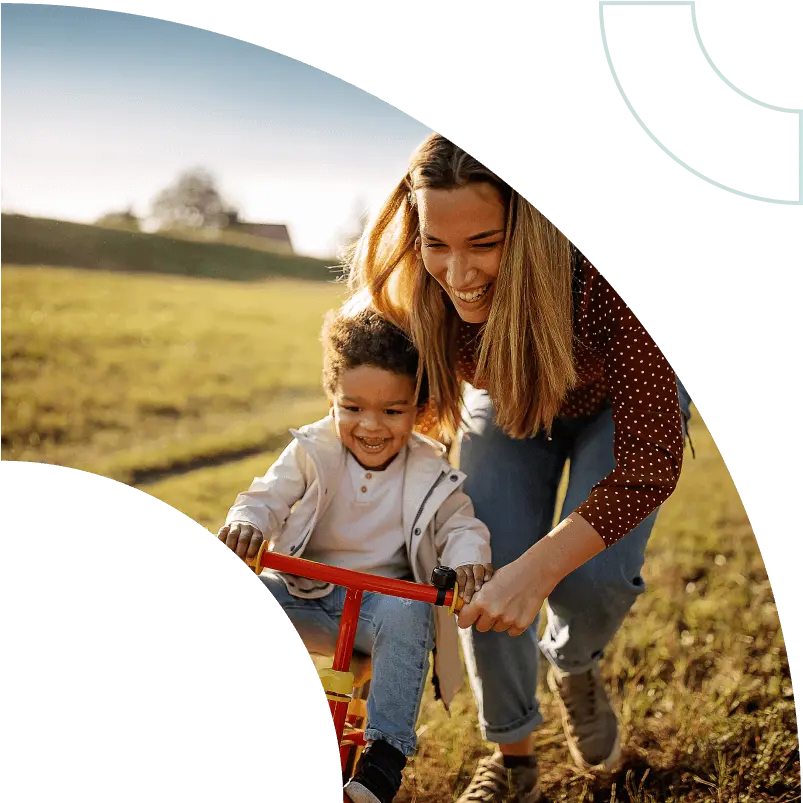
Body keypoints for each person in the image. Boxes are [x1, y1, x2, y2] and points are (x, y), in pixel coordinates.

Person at [341, 132, 693, 802]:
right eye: (436, 243)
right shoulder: (416, 294)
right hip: (509, 400)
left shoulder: (604, 284)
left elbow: (648, 464)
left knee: (590, 577)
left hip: (616, 405)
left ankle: (574, 662)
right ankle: (514, 757)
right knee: (480, 562)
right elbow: (373, 418)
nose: (457, 273)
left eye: (484, 243)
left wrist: (538, 571)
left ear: (530, 228)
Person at [217, 307, 494, 803]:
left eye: (393, 411)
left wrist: (467, 558)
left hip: (377, 615)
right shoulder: (313, 449)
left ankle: (384, 757)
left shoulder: (429, 469)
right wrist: (249, 523)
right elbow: (267, 496)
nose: (371, 426)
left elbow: (460, 526)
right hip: (303, 595)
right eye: (353, 407)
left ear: (419, 409)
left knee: (409, 609)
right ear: (332, 399)